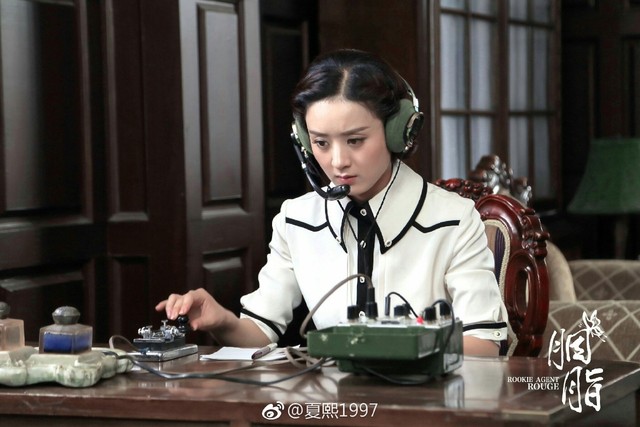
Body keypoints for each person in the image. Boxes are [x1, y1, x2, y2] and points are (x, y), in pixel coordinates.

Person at [156, 49, 508, 356]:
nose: (338, 162)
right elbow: (259, 333)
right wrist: (221, 320)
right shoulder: (296, 220)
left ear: (397, 132)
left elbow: (484, 344)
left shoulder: (453, 219)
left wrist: (394, 347)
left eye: (355, 140)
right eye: (321, 143)